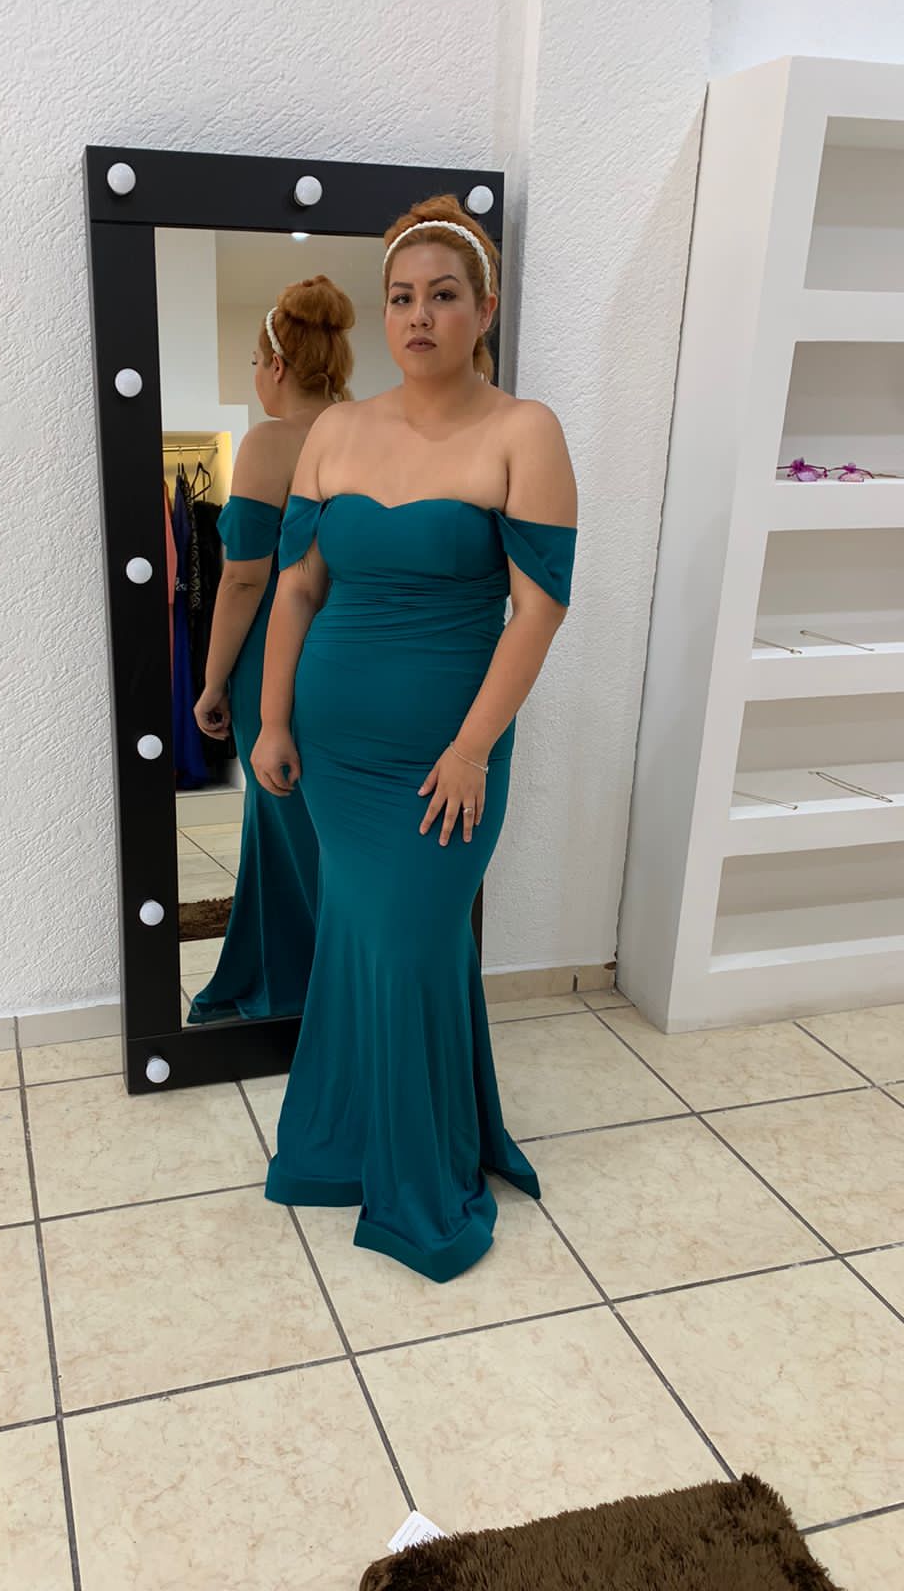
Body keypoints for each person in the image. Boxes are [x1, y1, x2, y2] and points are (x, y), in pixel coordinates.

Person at [250, 195, 578, 1282]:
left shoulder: (524, 432)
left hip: (451, 748)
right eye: (400, 298)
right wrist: (273, 718)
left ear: (484, 310)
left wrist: (475, 746)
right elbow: (298, 589)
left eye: (443, 295)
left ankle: (421, 1169)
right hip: (336, 747)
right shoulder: (336, 433)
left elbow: (538, 609)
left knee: (409, 940)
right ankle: (349, 1143)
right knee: (364, 935)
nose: (419, 316)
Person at [188, 275, 356, 1024]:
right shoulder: (371, 428)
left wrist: (211, 681)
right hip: (353, 650)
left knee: (284, 820)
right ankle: (336, 984)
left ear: (278, 366)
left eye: (255, 363)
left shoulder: (270, 442)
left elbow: (244, 579)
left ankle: (304, 991)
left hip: (276, 661)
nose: (256, 377)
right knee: (334, 824)